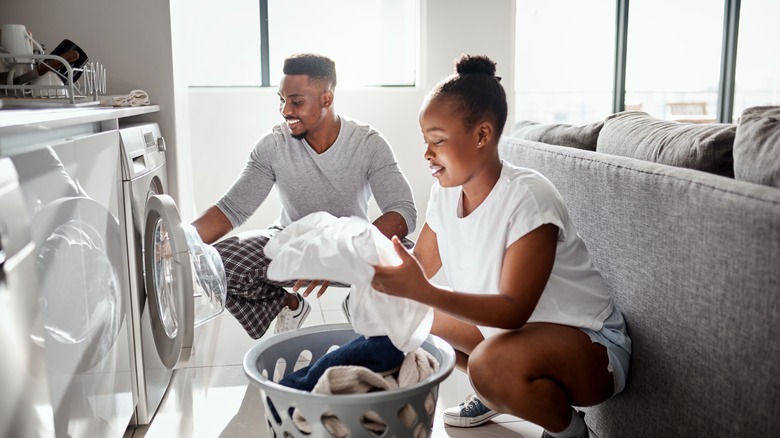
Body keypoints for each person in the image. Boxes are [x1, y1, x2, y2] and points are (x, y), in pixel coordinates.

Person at [370, 54, 631, 438]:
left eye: (438, 141)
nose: (427, 154)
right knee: (409, 319)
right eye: (425, 141)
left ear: (482, 135)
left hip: (591, 346)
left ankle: (571, 433)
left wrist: (422, 291)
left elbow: (512, 311)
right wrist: (362, 265)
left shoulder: (528, 198)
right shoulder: (445, 194)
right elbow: (419, 263)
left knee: (488, 364)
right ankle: (497, 392)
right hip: (510, 339)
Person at [193, 53, 417, 339]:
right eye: (281, 100)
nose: (285, 110)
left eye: (296, 101)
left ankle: (361, 301)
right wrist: (183, 239)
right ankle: (288, 305)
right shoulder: (273, 146)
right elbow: (232, 209)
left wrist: (341, 249)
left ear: (326, 99)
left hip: (352, 247)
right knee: (215, 262)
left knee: (410, 256)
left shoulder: (368, 144)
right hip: (292, 244)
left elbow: (403, 211)